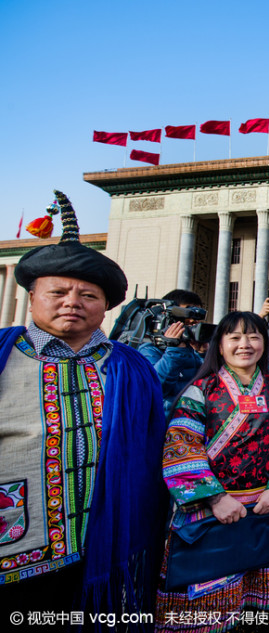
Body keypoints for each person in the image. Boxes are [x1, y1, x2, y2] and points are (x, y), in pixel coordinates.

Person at [0, 191, 168, 626]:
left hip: (105, 544)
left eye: (87, 295)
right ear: (33, 296)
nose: (72, 302)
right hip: (14, 545)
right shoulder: (3, 355)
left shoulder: (129, 368)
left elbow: (153, 449)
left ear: (105, 308)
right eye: (58, 291)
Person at [155, 311, 269, 631]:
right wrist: (215, 499)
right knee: (212, 601)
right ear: (219, 346)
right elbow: (181, 446)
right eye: (234, 337)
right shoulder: (201, 391)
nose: (245, 344)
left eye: (253, 337)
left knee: (267, 599)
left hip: (266, 511)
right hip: (213, 515)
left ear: (265, 344)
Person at [139, 288, 208, 417]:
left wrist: (202, 354)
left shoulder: (192, 351)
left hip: (190, 423)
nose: (193, 321)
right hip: (164, 423)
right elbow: (157, 387)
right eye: (189, 314)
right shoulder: (149, 349)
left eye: (196, 317)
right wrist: (175, 349)